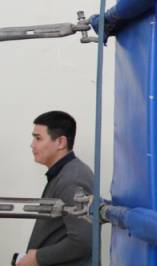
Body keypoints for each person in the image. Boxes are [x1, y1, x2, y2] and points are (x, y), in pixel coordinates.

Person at [19, 111, 93, 266]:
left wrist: (37, 258)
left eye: (38, 138)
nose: (32, 144)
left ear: (60, 142)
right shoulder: (63, 173)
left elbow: (82, 242)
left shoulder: (72, 179)